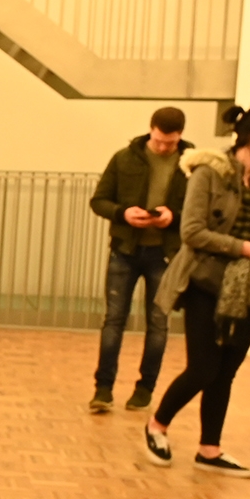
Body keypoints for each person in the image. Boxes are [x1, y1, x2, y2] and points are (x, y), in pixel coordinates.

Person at [143, 104, 250, 477]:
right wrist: (244, 248)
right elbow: (192, 232)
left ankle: (210, 449)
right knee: (203, 368)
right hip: (207, 283)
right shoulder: (209, 173)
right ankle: (157, 424)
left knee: (226, 371)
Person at [87, 106, 192, 413]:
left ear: (180, 136)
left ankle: (145, 389)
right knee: (114, 320)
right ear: (151, 130)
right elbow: (99, 200)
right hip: (125, 249)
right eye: (158, 141)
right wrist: (123, 213)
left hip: (166, 253)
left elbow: (202, 214)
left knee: (158, 323)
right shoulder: (125, 157)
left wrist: (173, 219)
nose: (162, 147)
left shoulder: (193, 166)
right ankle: (103, 390)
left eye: (169, 143)